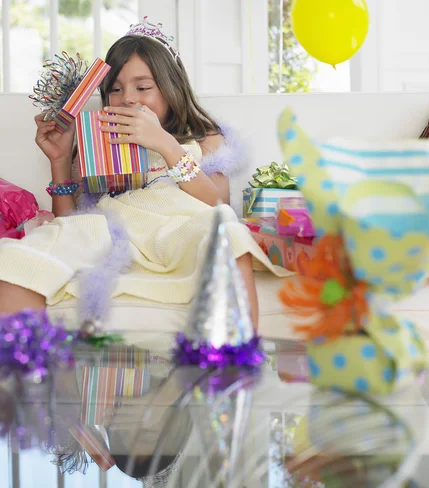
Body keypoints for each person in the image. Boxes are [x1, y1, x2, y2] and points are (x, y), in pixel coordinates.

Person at [0, 20, 290, 325]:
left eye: (143, 87)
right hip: (110, 231)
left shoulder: (201, 138)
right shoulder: (98, 142)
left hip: (178, 227)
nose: (127, 98)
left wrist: (165, 144)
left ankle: (233, 358)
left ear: (170, 89)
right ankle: (22, 360)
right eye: (115, 89)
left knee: (227, 232)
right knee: (27, 253)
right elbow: (70, 222)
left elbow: (218, 205)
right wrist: (59, 162)